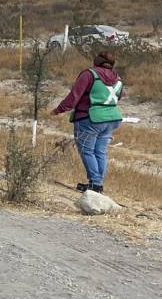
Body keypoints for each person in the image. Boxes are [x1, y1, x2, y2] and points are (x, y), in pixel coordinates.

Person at [52, 51, 123, 193]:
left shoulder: (89, 74)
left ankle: (95, 184)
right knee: (100, 152)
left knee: (87, 151)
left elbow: (74, 96)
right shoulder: (118, 78)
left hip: (90, 118)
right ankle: (97, 184)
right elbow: (118, 97)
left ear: (96, 61)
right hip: (112, 118)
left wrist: (59, 109)